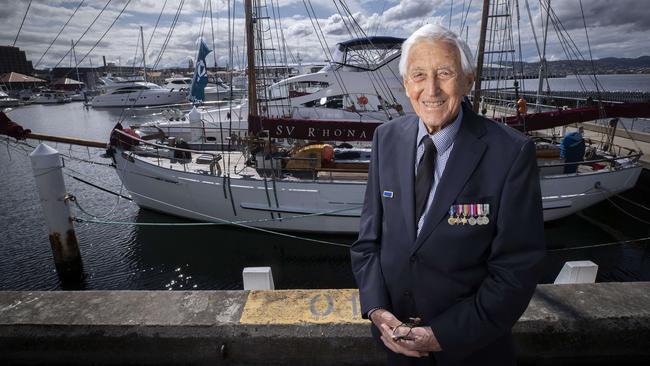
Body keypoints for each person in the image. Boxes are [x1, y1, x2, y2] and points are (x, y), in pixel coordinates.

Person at [350, 23, 545, 366]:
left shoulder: (510, 154)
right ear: (406, 84)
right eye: (419, 75)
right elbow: (368, 243)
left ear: (468, 80)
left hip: (471, 352)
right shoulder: (386, 139)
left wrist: (442, 336)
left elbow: (517, 270)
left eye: (444, 73)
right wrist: (377, 311)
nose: (432, 89)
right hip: (393, 348)